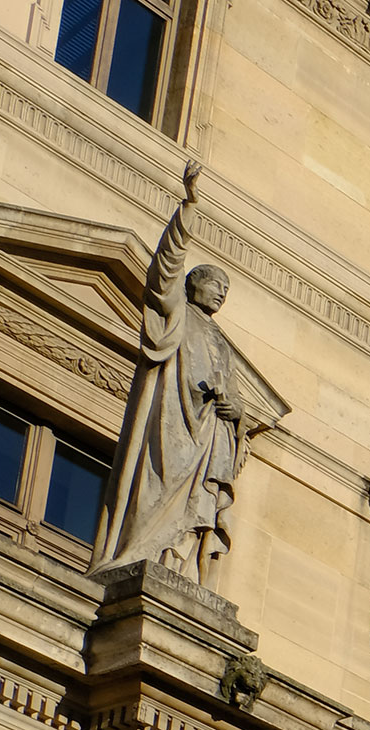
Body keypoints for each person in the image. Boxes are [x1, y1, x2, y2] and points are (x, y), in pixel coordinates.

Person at [95, 163, 284, 583]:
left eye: (226, 289)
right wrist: (189, 208)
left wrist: (235, 411)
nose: (221, 291)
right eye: (215, 282)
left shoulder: (220, 343)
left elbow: (237, 404)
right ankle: (140, 557)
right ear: (194, 285)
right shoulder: (177, 313)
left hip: (208, 437)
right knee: (155, 493)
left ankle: (177, 568)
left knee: (195, 509)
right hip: (171, 425)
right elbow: (165, 268)